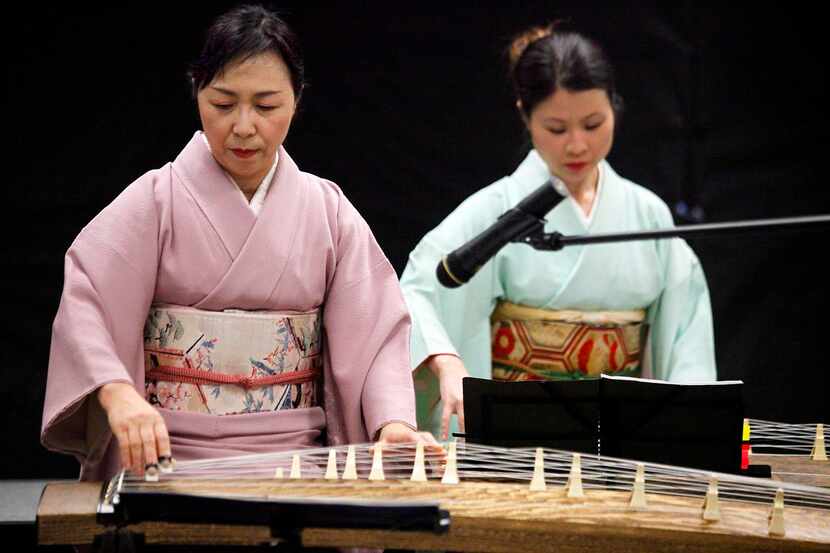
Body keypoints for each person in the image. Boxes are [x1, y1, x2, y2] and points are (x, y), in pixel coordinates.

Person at [41, 5, 429, 482]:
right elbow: (88, 306)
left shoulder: (327, 210)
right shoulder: (155, 201)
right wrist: (119, 394)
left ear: (296, 100)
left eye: (266, 106)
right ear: (196, 93)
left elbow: (377, 334)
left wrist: (393, 424)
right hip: (167, 456)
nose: (243, 126)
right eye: (223, 104)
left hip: (297, 463)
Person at [400, 24, 717, 440]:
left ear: (615, 108)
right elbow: (420, 287)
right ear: (524, 116)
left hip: (622, 436)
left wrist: (690, 425)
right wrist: (446, 360)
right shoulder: (497, 209)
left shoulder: (648, 213)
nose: (577, 145)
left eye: (592, 124)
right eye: (556, 128)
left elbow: (685, 333)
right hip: (516, 436)